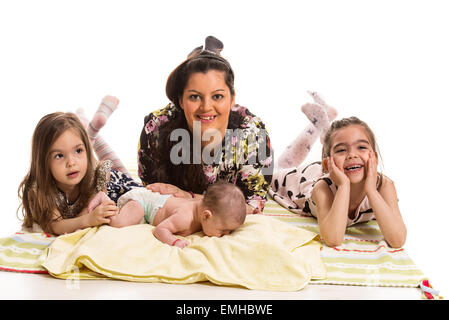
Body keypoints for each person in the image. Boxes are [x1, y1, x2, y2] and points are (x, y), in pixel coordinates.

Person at [138, 36, 273, 214]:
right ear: (180, 100)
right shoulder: (156, 128)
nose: (206, 107)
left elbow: (253, 206)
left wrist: (188, 197)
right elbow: (151, 194)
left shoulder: (253, 134)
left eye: (217, 96)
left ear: (232, 99)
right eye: (194, 96)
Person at [270, 94, 406, 248]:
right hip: (305, 179)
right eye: (342, 150)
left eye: (361, 147)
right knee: (276, 170)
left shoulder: (384, 186)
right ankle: (322, 128)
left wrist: (371, 190)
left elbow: (398, 239)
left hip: (330, 168)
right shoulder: (322, 188)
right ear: (328, 164)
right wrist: (343, 186)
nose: (352, 155)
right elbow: (333, 239)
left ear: (373, 156)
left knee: (288, 161)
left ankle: (324, 126)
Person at [18, 108, 139, 235]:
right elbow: (55, 226)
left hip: (114, 183)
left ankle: (91, 130)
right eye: (59, 155)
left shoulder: (94, 175)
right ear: (43, 162)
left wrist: (87, 217)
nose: (71, 162)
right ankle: (90, 128)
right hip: (96, 175)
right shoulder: (40, 190)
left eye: (78, 151)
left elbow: (90, 208)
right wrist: (87, 220)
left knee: (130, 181)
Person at [101, 181, 246, 248]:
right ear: (206, 216)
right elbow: (160, 229)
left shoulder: (203, 205)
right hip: (142, 201)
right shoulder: (185, 218)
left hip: (157, 199)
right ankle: (103, 199)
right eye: (223, 230)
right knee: (119, 223)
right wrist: (173, 241)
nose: (226, 234)